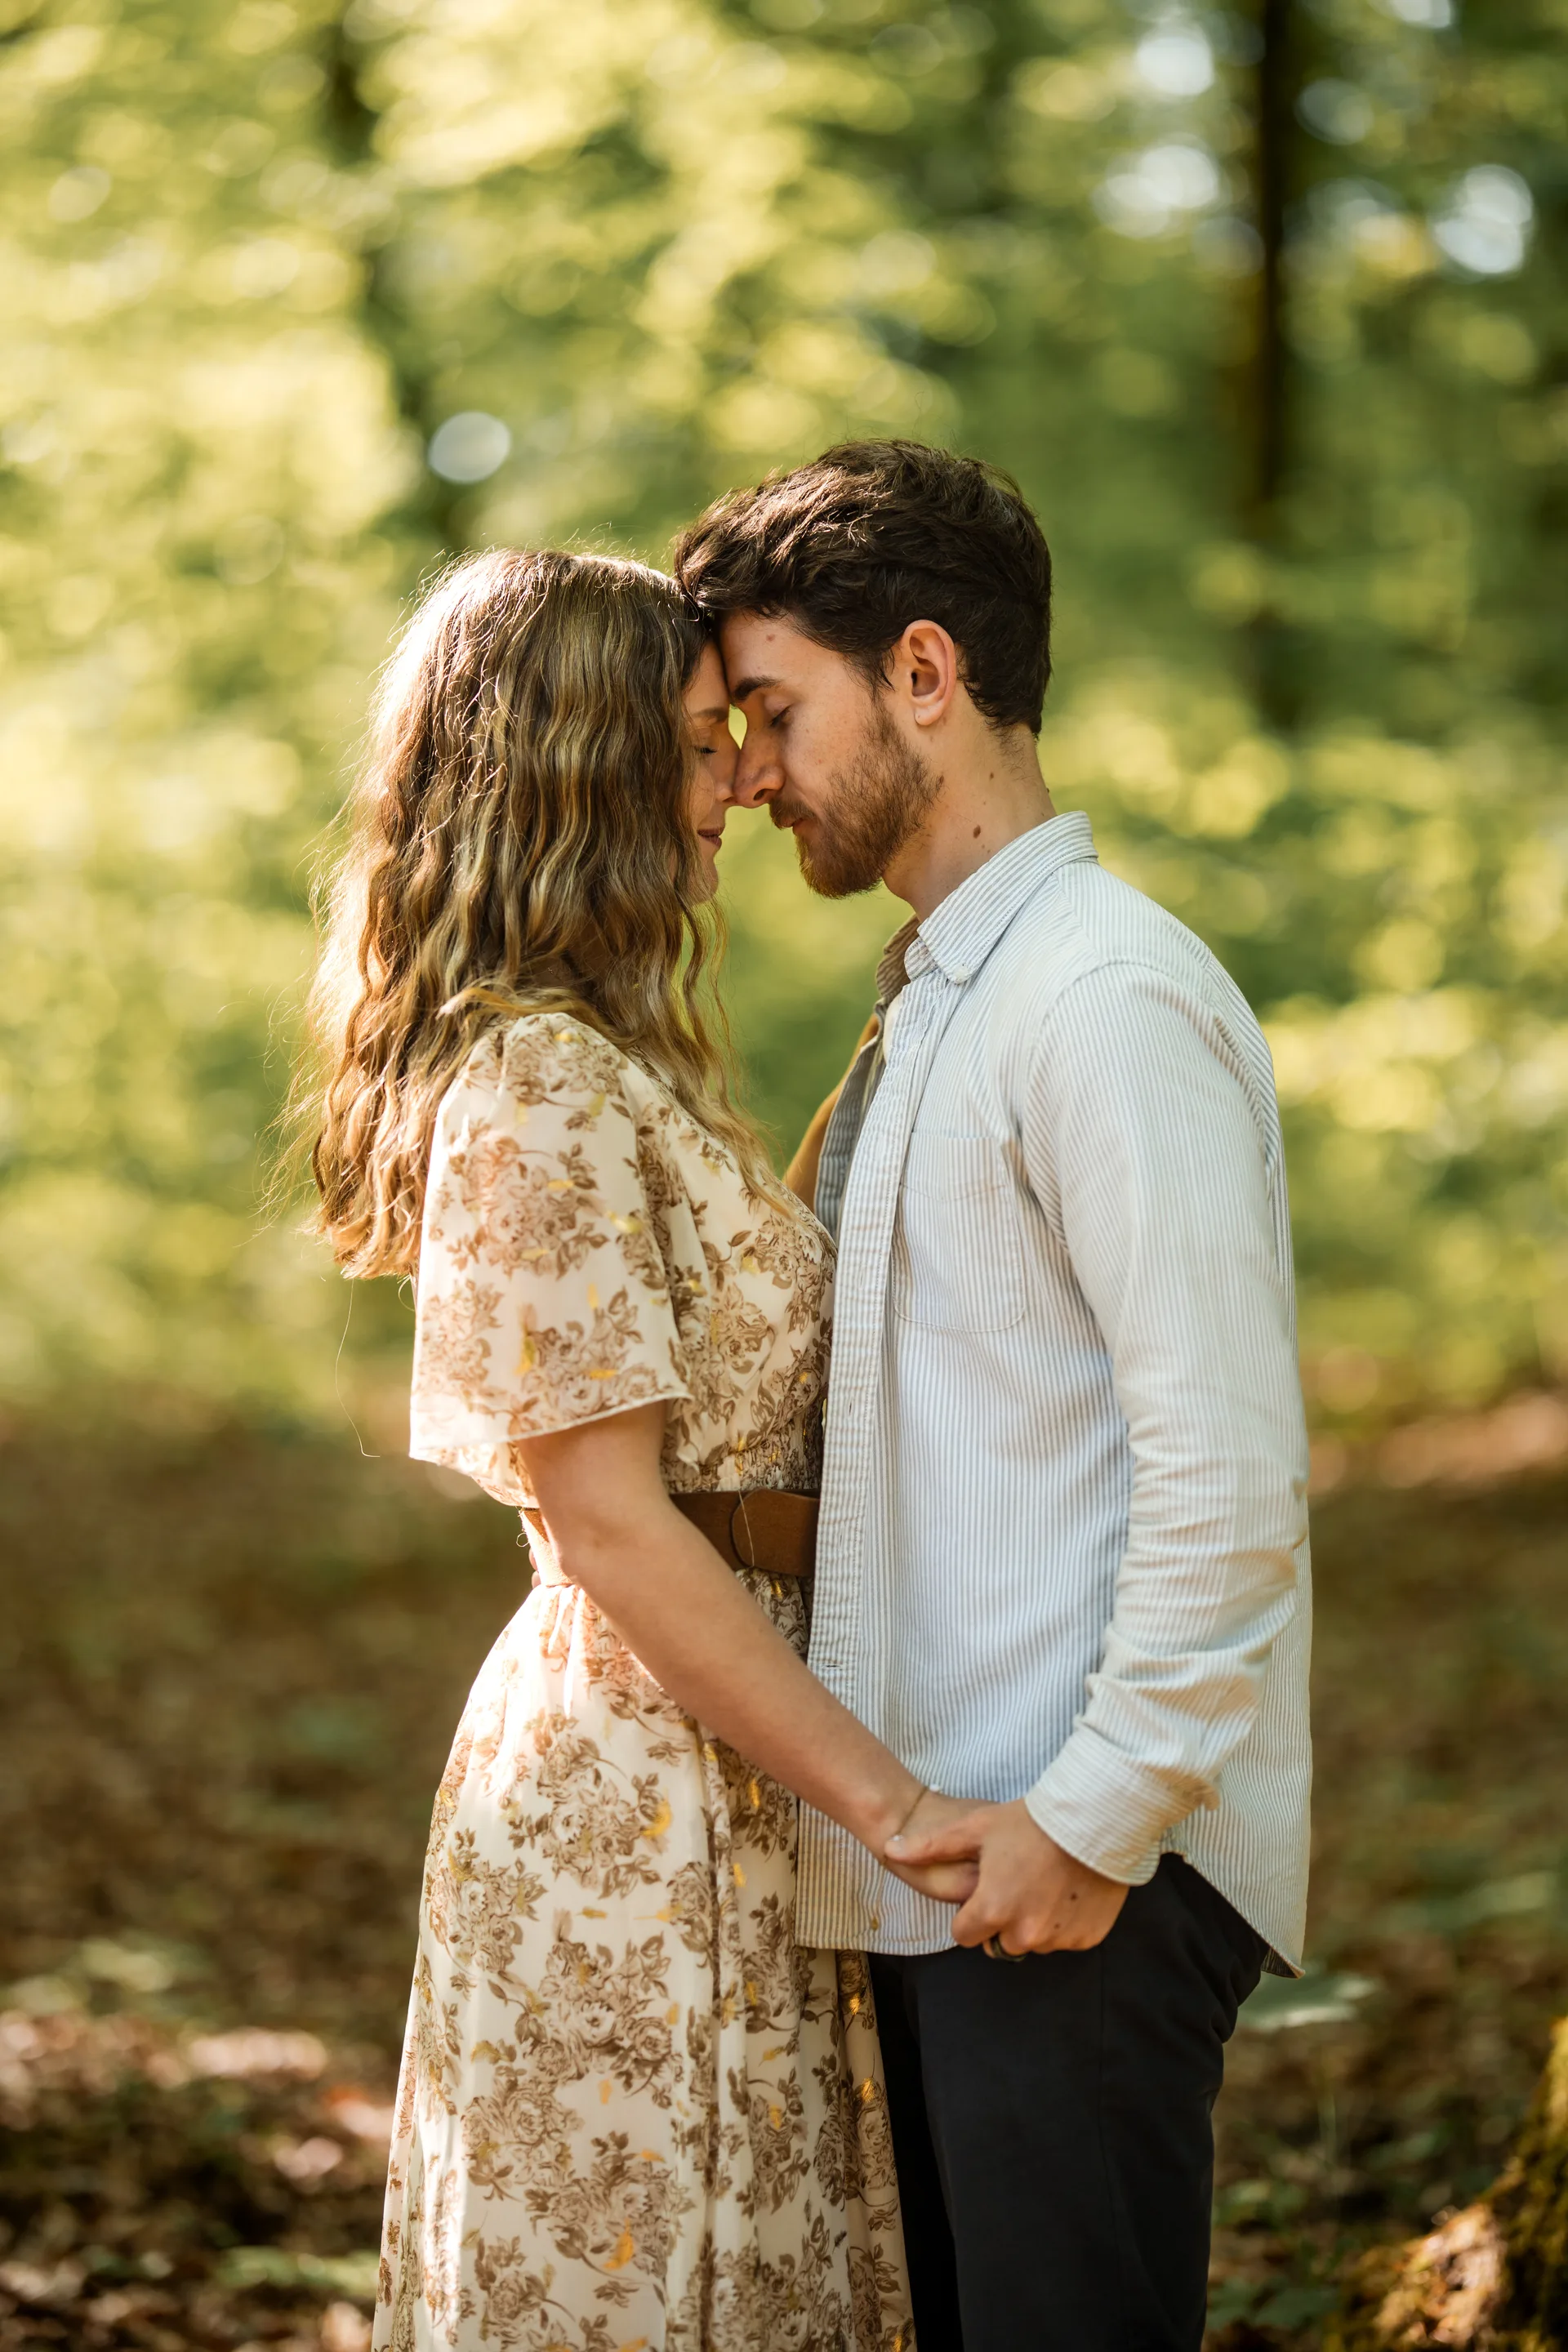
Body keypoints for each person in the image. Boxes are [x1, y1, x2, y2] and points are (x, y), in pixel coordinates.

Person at [675, 440, 1313, 2352]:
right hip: (959, 1870)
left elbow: (1231, 1470)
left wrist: (1098, 1816)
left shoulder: (1100, 998)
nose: (751, 772)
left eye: (773, 711)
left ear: (928, 675)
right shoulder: (945, 997)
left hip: (1078, 1872)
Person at [304, 549, 956, 2351]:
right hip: (639, 1796)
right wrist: (890, 1806)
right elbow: (611, 1519)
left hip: (724, 1756)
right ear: (583, 775)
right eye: (696, 744)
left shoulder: (612, 1068)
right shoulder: (535, 1083)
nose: (743, 779)